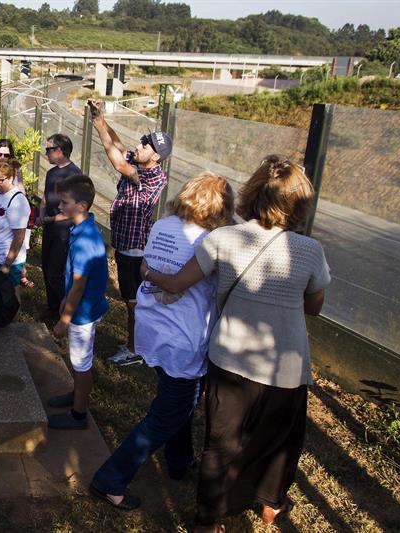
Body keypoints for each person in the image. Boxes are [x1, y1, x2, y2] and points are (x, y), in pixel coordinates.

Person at [145, 157, 331, 531]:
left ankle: (206, 519)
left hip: (229, 359)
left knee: (221, 443)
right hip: (287, 365)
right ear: (300, 204)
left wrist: (148, 271)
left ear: (251, 194)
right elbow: (313, 307)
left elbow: (179, 283)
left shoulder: (222, 238)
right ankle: (270, 504)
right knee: (281, 439)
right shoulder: (309, 251)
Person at [89, 173, 235, 510]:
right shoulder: (212, 241)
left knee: (181, 399)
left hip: (153, 327)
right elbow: (182, 282)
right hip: (183, 336)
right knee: (168, 414)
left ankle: (179, 461)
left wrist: (152, 275)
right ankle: (110, 478)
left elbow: (147, 267)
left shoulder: (164, 225)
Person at [89, 99, 170, 366]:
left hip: (135, 250)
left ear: (156, 156)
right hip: (126, 245)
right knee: (131, 300)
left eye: (146, 145)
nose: (139, 146)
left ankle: (135, 350)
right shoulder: (142, 164)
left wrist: (99, 124)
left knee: (134, 302)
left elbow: (116, 161)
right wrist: (102, 120)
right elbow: (119, 145)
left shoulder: (152, 177)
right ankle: (137, 343)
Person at [47, 174, 108, 430]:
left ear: (81, 206)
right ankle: (77, 394)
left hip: (82, 313)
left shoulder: (85, 241)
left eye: (64, 202)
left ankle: (79, 414)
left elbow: (80, 285)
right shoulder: (84, 228)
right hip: (80, 307)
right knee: (77, 360)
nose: (60, 207)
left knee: (82, 363)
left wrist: (64, 320)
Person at [37, 133, 81, 317]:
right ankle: (52, 306)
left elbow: (76, 209)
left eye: (49, 149)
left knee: (56, 271)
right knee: (46, 267)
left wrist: (50, 219)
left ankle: (62, 312)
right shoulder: (51, 172)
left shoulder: (74, 174)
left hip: (64, 230)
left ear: (60, 151)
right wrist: (41, 214)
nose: (46, 153)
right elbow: (46, 197)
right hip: (49, 227)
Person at [0, 159, 30, 292]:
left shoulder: (17, 201)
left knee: (10, 297)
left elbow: (19, 238)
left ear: (11, 178)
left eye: (0, 180)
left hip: (8, 260)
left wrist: (7, 264)